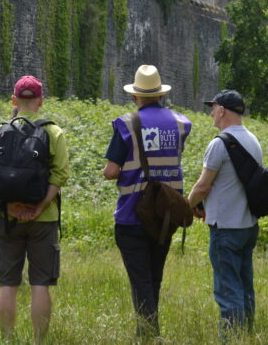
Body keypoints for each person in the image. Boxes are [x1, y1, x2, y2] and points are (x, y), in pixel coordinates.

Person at [0, 75, 69, 343]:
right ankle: (40, 340)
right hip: (45, 219)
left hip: (6, 220)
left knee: (8, 285)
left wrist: (2, 206)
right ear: (40, 101)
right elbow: (60, 175)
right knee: (41, 284)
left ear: (14, 100)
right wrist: (39, 207)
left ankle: (8, 339)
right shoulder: (53, 132)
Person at [102, 65, 192, 338]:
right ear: (161, 95)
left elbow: (111, 171)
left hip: (132, 215)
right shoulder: (180, 123)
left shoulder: (126, 124)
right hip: (165, 216)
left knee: (141, 281)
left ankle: (149, 335)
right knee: (154, 278)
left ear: (134, 97)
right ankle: (150, 332)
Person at [187, 89, 263, 336]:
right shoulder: (253, 141)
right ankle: (246, 335)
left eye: (213, 108)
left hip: (226, 230)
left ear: (221, 110)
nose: (211, 114)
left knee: (227, 292)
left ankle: (230, 339)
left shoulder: (219, 144)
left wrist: (188, 205)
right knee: (244, 288)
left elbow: (203, 186)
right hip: (248, 227)